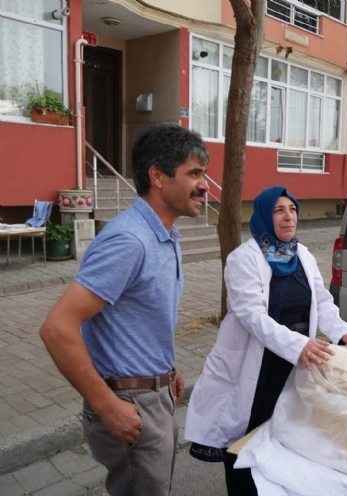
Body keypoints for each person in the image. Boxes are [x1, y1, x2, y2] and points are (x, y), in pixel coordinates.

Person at [39, 123, 210, 495]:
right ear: (158, 177)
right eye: (194, 173)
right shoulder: (129, 240)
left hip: (154, 393)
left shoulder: (165, 235)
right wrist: (107, 406)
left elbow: (134, 317)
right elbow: (57, 328)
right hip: (129, 403)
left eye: (204, 173)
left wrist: (166, 369)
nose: (204, 184)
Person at [184, 186, 347, 496]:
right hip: (255, 365)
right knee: (244, 441)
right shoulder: (243, 259)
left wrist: (343, 332)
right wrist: (298, 344)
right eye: (279, 210)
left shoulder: (302, 254)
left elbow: (323, 302)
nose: (288, 216)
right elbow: (251, 315)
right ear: (264, 216)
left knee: (282, 436)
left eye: (292, 209)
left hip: (293, 365)